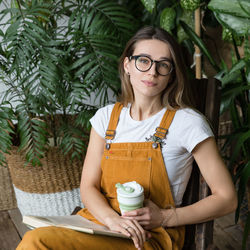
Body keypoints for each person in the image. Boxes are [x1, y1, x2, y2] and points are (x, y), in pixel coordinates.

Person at [17, 26, 237, 250]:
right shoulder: (105, 118)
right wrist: (112, 220)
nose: (152, 72)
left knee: (37, 242)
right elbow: (88, 187)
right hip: (101, 224)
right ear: (127, 65)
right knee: (37, 240)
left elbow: (227, 198)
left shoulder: (187, 123)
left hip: (148, 237)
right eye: (144, 61)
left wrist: (164, 217)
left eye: (163, 65)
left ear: (172, 74)